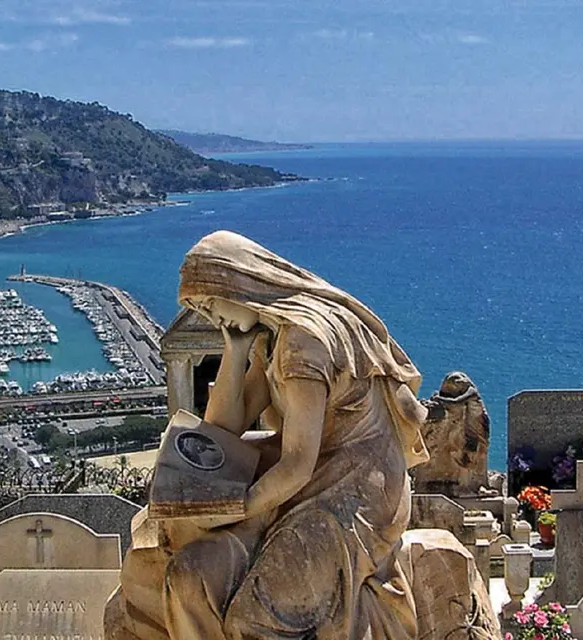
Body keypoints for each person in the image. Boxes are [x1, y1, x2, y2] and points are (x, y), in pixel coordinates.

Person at [165, 229, 430, 639]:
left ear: (237, 282)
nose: (212, 318)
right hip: (306, 483)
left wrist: (236, 507)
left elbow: (297, 464)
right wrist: (234, 351)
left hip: (352, 491)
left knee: (254, 619)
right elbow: (223, 428)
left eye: (211, 304)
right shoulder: (271, 338)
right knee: (191, 573)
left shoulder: (304, 342)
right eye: (202, 311)